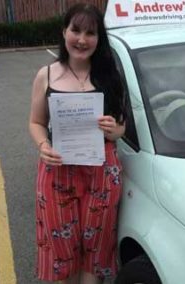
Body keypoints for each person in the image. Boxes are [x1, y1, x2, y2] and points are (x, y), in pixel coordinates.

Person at [29, 3, 126, 284]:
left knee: (97, 247)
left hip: (102, 172)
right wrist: (42, 145)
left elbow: (122, 126)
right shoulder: (46, 75)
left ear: (99, 39)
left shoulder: (109, 76)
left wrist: (114, 129)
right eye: (76, 30)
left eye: (90, 33)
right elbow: (35, 122)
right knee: (61, 248)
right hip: (58, 169)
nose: (82, 40)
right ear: (64, 32)